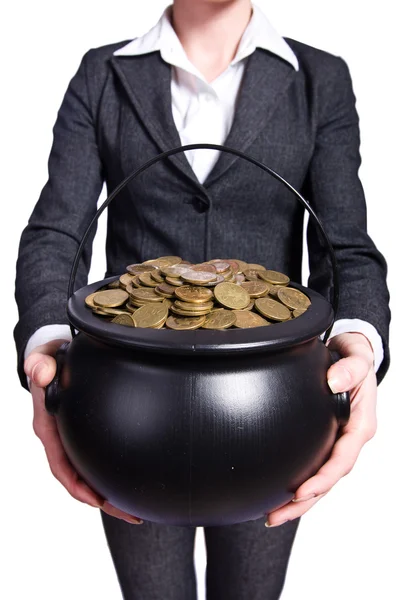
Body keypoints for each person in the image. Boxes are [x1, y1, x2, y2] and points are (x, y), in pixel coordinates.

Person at [14, 0, 390, 598]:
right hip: (126, 410)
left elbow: (345, 244)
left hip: (270, 409)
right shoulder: (102, 75)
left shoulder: (320, 79)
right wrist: (48, 350)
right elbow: (57, 232)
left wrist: (360, 342)